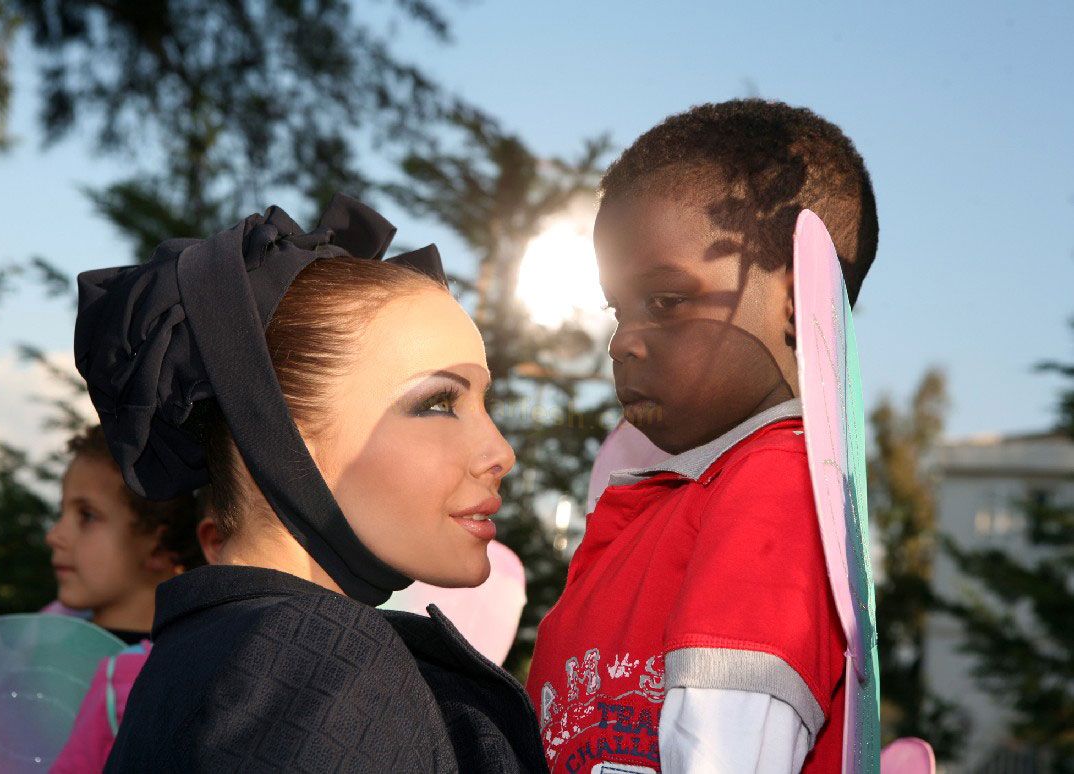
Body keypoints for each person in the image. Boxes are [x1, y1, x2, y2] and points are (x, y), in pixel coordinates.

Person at [74, 195, 546, 772]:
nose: (501, 452)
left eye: (484, 404)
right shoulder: (324, 662)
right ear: (284, 433)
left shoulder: (204, 650)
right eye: (438, 403)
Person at [525, 99, 879, 773]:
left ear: (797, 302)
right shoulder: (667, 507)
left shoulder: (778, 489)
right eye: (617, 309)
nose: (622, 341)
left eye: (665, 302)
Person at [47, 425, 202, 772]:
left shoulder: (170, 680)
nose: (54, 535)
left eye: (86, 516)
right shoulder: (41, 636)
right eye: (62, 512)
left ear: (156, 544)